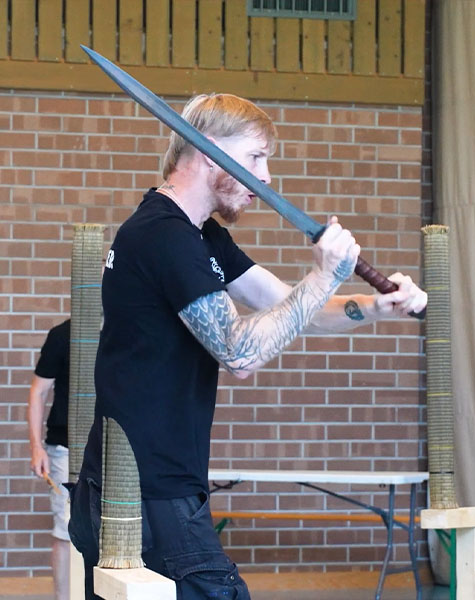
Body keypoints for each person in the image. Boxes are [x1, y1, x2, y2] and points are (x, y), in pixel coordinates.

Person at [67, 93, 427, 600]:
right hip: (147, 496)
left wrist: (370, 307)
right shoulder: (163, 236)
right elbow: (239, 352)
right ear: (210, 152)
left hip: (152, 489)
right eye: (256, 157)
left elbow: (284, 303)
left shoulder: (200, 236)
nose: (267, 177)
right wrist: (324, 275)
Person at [28, 318, 73, 600]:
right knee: (66, 527)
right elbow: (38, 392)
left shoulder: (130, 328)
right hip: (65, 448)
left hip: (117, 450)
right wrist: (36, 447)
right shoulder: (62, 335)